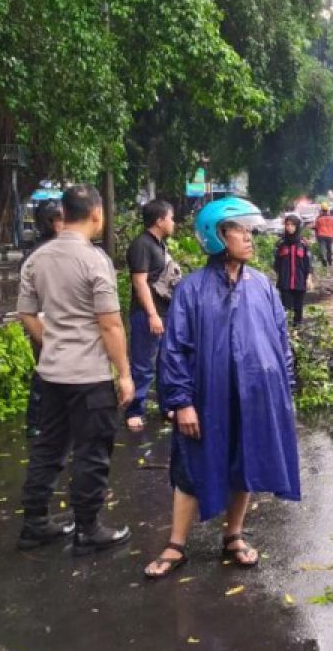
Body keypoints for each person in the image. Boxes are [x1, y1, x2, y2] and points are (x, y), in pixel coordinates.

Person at [145, 197, 301, 579]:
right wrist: (181, 401)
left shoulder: (262, 285)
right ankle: (176, 545)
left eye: (250, 231)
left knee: (244, 462)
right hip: (207, 397)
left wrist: (285, 390)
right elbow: (175, 348)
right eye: (239, 231)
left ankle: (234, 535)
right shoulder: (192, 289)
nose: (249, 238)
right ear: (216, 236)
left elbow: (281, 341)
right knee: (191, 467)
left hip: (254, 397)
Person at [16, 184, 136, 555]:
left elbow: (26, 313)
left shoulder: (37, 259)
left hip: (51, 374)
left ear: (63, 215)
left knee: (48, 447)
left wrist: (51, 343)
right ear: (97, 214)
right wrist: (125, 373)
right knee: (91, 452)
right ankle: (88, 528)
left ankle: (35, 523)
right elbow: (110, 325)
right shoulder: (95, 260)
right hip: (89, 377)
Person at [125, 199, 180, 431]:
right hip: (147, 315)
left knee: (165, 362)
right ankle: (134, 410)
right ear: (160, 221)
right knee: (143, 364)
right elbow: (139, 282)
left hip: (164, 313)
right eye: (171, 218)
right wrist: (152, 314)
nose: (173, 222)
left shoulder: (159, 244)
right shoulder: (142, 245)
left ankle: (166, 405)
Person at [19, 200, 63, 439]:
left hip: (56, 321)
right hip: (44, 322)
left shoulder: (58, 248)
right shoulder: (40, 253)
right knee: (44, 373)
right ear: (53, 222)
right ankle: (36, 422)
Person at [273, 213, 313, 325]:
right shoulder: (280, 244)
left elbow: (308, 263)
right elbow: (276, 264)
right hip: (284, 283)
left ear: (297, 227)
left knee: (298, 309)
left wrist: (309, 278)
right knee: (285, 310)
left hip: (299, 282)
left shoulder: (303, 244)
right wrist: (280, 275)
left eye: (292, 225)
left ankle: (298, 329)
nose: (289, 227)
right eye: (287, 225)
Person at [314, 203, 333, 267]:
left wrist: (316, 236)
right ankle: (330, 261)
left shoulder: (318, 218)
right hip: (330, 236)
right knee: (329, 249)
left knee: (322, 249)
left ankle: (324, 260)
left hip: (321, 236)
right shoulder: (331, 218)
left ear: (321, 210)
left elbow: (316, 228)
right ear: (327, 210)